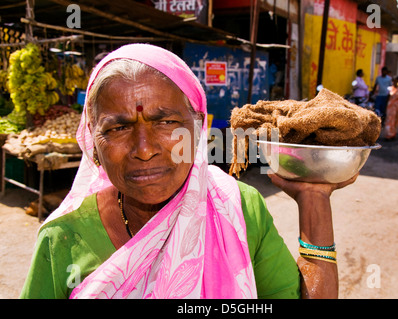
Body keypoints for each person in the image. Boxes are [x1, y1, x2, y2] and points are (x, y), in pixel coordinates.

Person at [20, 44, 356, 299]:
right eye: (118, 128)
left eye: (166, 122)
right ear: (92, 141)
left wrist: (313, 200)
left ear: (197, 128)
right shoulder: (63, 239)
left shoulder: (238, 208)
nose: (145, 148)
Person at [384, 76, 398, 141]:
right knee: (390, 119)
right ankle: (388, 134)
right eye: (394, 80)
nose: (395, 82)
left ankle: (393, 134)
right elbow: (387, 98)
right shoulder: (390, 89)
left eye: (396, 80)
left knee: (396, 119)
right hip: (390, 106)